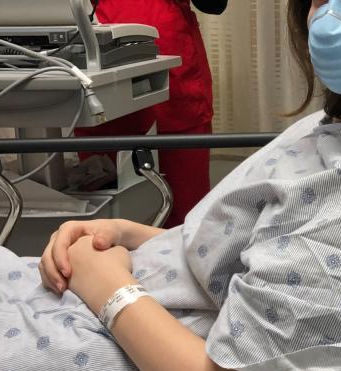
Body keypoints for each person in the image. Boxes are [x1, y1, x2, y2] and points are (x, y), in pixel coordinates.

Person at [0, 1, 341, 371]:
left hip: (96, 331)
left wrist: (106, 285)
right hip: (92, 294)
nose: (333, 17)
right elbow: (238, 249)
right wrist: (125, 232)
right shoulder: (333, 127)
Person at [74, 0, 227, 227]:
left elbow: (215, 4)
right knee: (103, 213)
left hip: (172, 72)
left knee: (184, 214)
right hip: (100, 64)